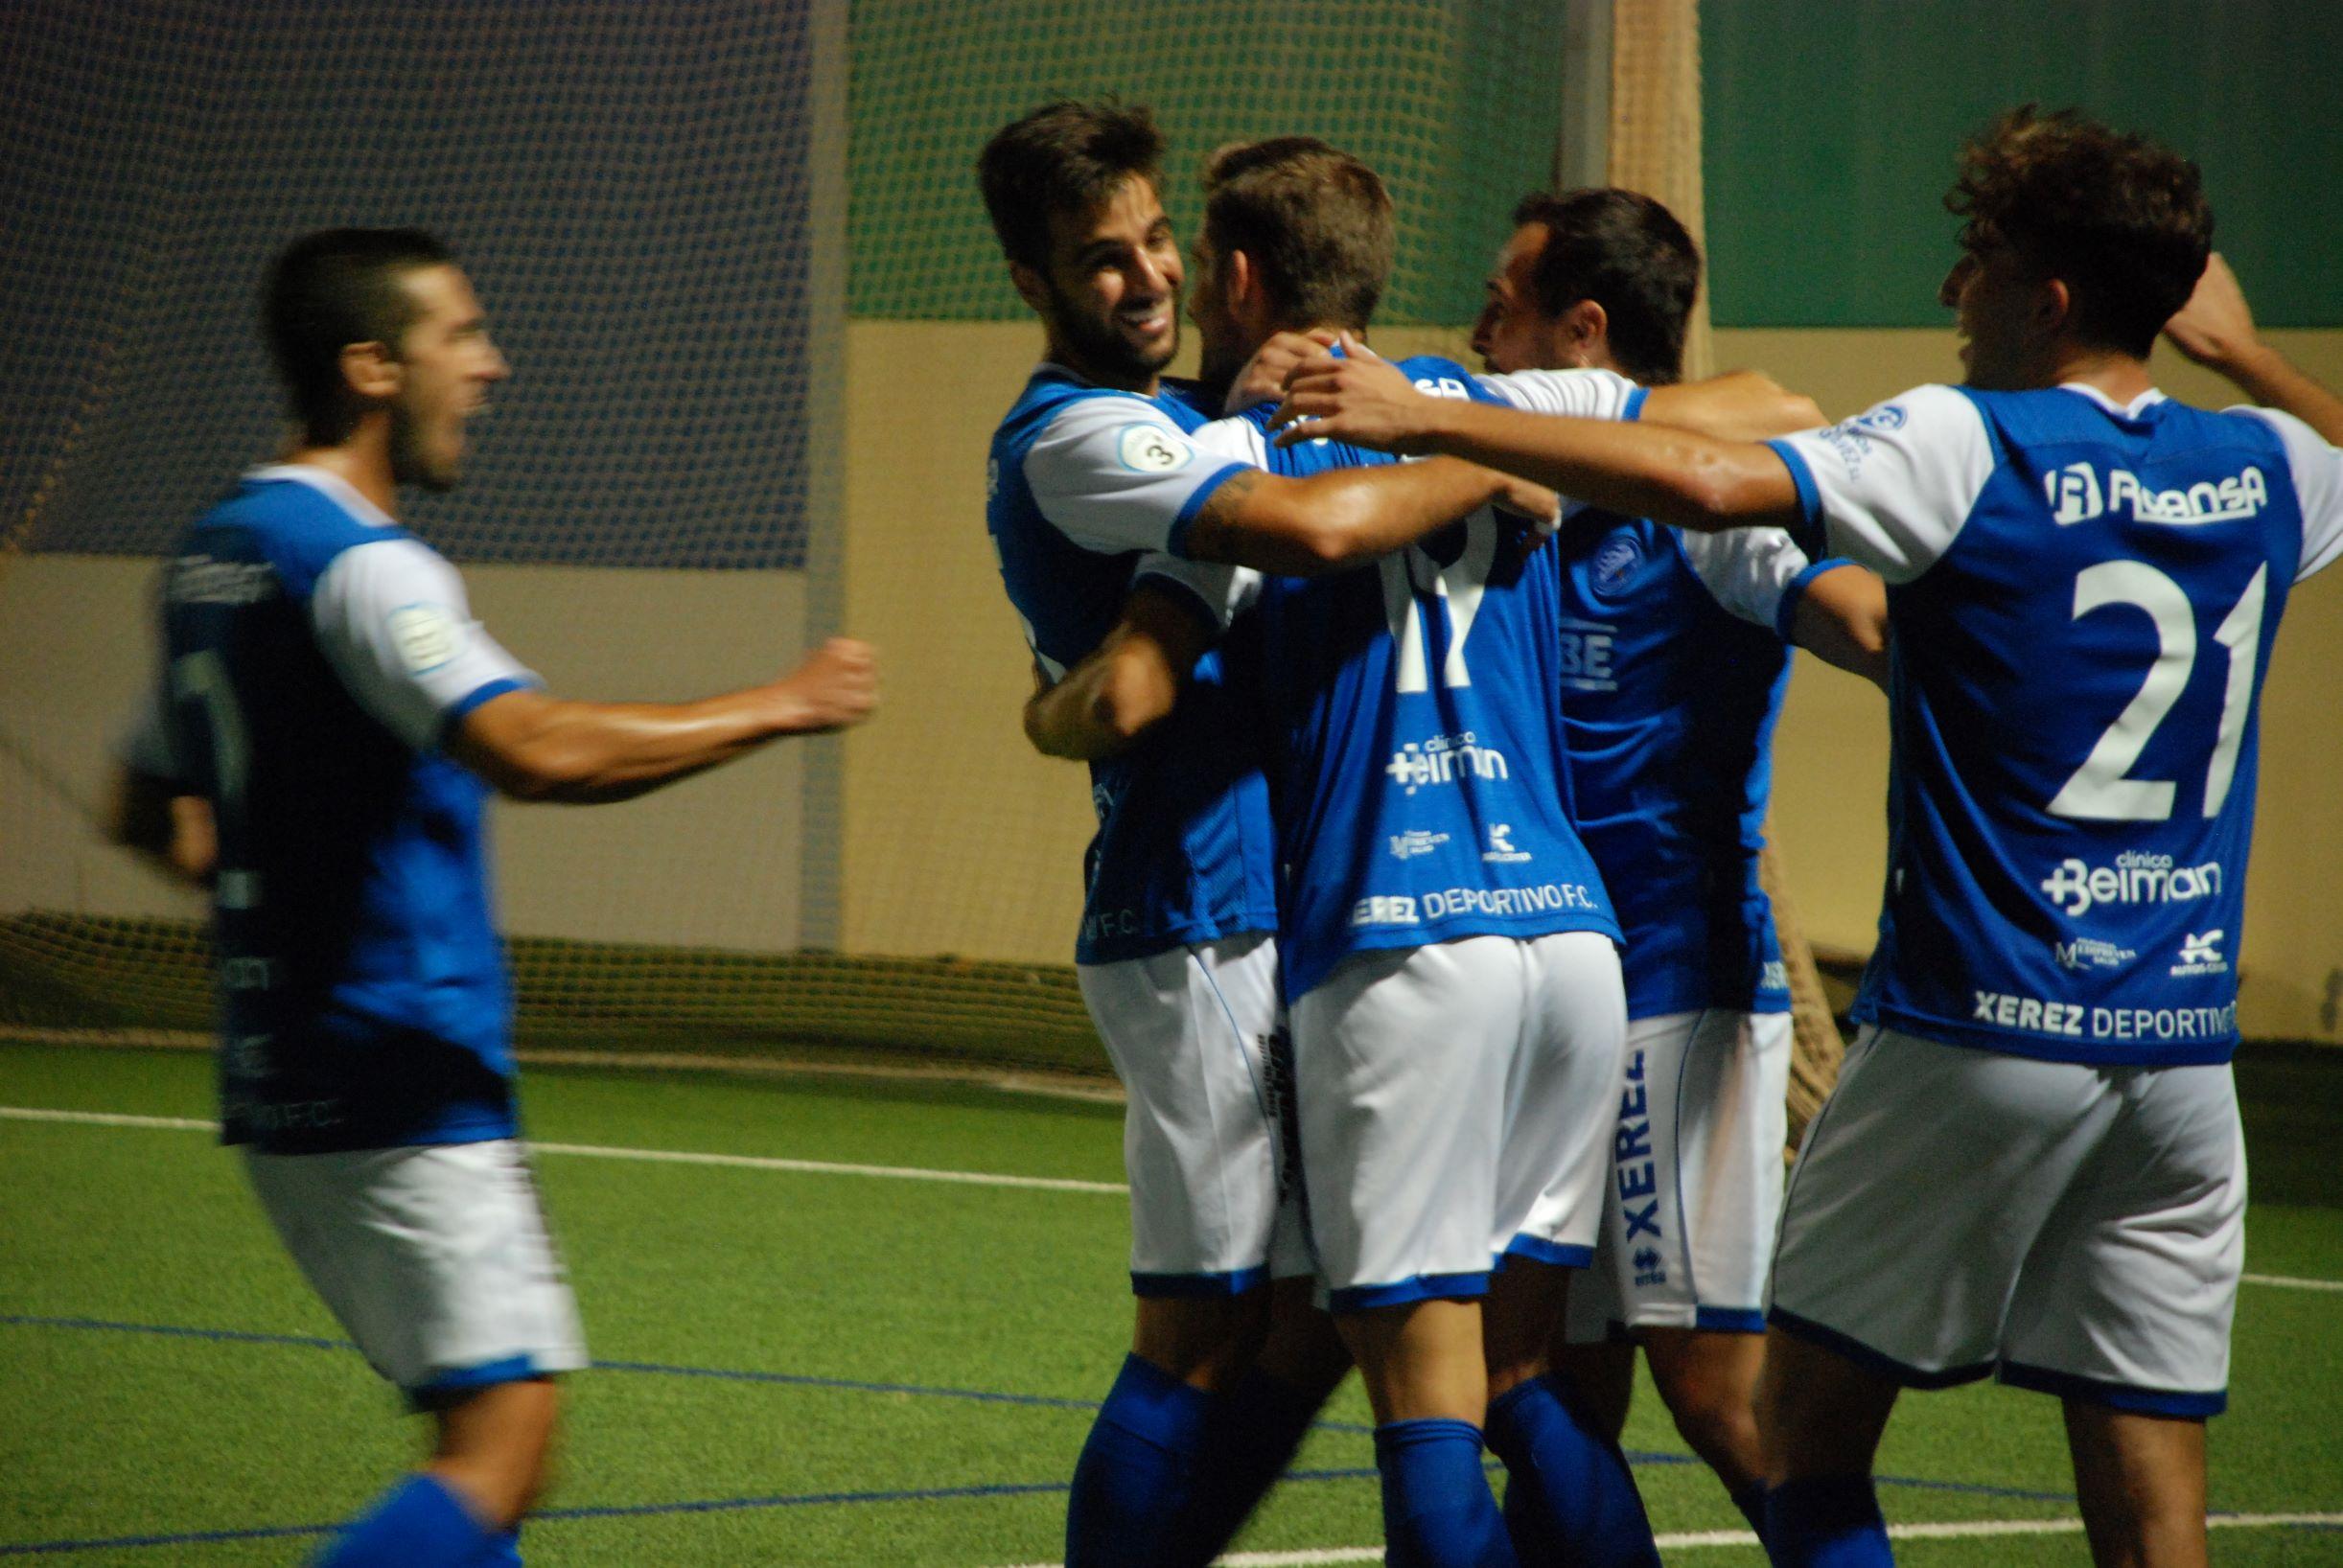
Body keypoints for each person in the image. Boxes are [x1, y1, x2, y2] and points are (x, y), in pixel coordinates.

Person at [1271, 107, 2343, 1568]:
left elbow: (1726, 470)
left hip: (1976, 1023)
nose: (1954, 295)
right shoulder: (2265, 464)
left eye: (1980, 261)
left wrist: (1430, 414)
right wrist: (2244, 354)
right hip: (2177, 1056)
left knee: (1793, 1435)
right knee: (2151, 1487)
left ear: (2052, 296)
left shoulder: (1971, 441)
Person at [1029, 137, 1821, 1568]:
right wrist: (1476, 455)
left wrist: (1050, 703)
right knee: (1510, 1372)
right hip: (1572, 940)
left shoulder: (1239, 445)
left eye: (1193, 260)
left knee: (1421, 1395)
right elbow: (1743, 416)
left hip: (1399, 941)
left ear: (1239, 276)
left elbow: (1156, 672)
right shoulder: (1506, 414)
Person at [104, 226, 877, 1568]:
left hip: (284, 1071)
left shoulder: (212, 553)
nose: (493, 365)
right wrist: (786, 703)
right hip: (397, 1065)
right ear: (371, 368)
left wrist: (276, 887)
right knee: (504, 1448)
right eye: (459, 335)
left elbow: (146, 805)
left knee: (478, 1452)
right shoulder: (360, 562)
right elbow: (537, 750)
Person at [975, 103, 1564, 1568]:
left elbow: (1124, 677)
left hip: (1282, 907)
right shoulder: (1081, 437)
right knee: (1200, 1329)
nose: (1146, 276)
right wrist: (1484, 458)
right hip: (1194, 907)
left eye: (1158, 238)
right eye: (1099, 260)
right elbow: (1297, 533)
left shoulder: (1191, 410)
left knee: (1305, 1328)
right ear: (1032, 286)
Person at [1468, 187, 1883, 1543]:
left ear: (1581, 332)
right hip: (1549, 998)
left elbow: (1791, 431)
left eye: (1503, 306)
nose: (1476, 335)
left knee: (1717, 1391)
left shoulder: (1709, 510)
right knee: (1556, 1395)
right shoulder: (1506, 494)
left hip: (1673, 987)